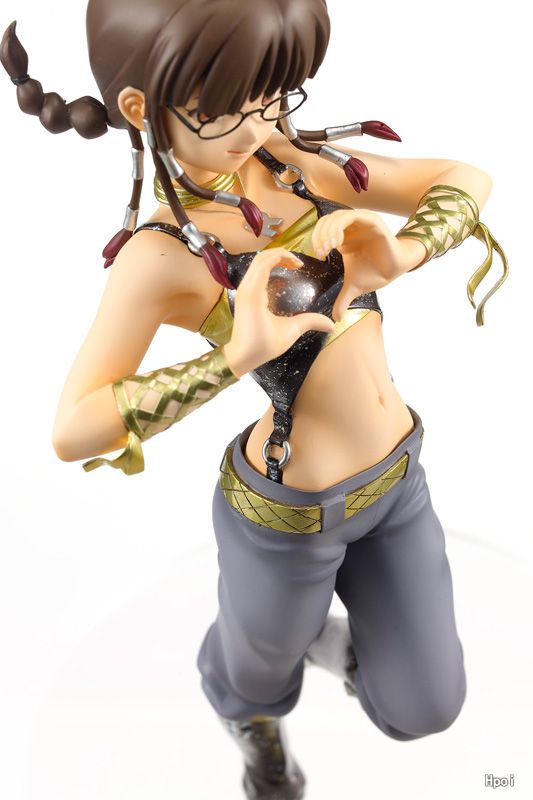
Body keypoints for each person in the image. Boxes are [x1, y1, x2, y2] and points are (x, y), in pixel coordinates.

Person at [1, 1, 508, 797]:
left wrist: (402, 251)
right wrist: (233, 357)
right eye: (228, 108)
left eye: (273, 97)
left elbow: (465, 179)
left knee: (423, 708)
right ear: (140, 107)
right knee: (255, 676)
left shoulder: (292, 166)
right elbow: (73, 428)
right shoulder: (161, 255)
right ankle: (247, 709)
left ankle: (309, 639)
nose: (261, 124)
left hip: (397, 483)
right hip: (287, 515)